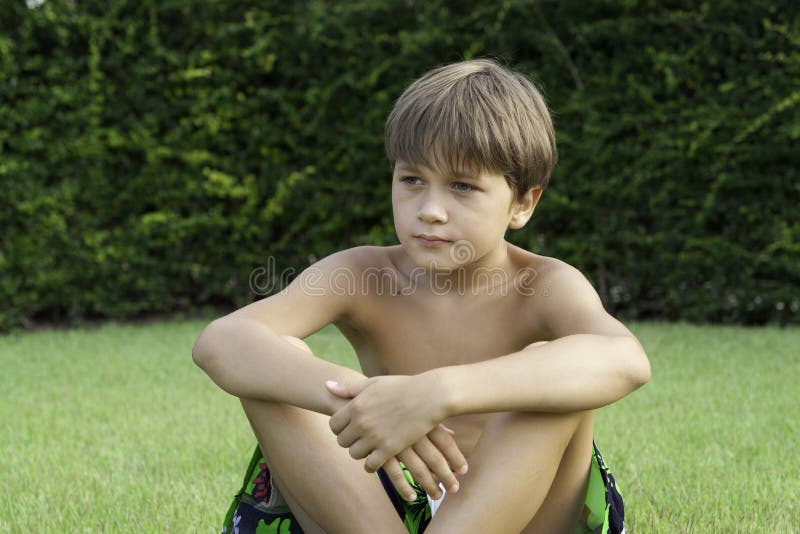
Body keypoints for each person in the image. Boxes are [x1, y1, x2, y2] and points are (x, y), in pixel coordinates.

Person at [192, 58, 650, 534]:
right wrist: (360, 399)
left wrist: (434, 394)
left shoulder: (544, 284)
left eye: (462, 187)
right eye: (412, 180)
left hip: (528, 514)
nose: (430, 210)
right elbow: (221, 342)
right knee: (276, 358)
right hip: (382, 512)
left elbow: (626, 361)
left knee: (554, 371)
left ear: (522, 203)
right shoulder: (362, 274)